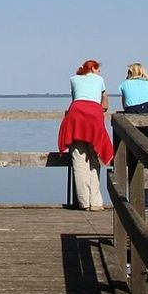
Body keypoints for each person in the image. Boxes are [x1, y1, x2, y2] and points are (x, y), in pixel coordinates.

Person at [58, 59, 114, 211]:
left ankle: (83, 202)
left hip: (76, 116)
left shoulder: (73, 79)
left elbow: (75, 99)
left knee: (79, 161)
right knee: (94, 160)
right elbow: (105, 105)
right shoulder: (99, 80)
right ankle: (95, 202)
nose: (100, 72)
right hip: (94, 117)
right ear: (93, 69)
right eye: (98, 69)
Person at [119, 62, 148, 209]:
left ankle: (144, 202)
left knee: (137, 162)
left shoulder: (125, 84)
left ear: (130, 73)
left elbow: (125, 106)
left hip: (134, 121)